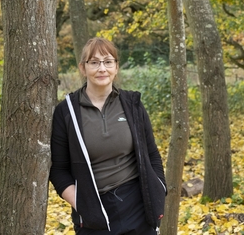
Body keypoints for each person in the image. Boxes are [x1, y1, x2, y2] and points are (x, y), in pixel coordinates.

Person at [49, 37, 167, 235]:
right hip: (94, 211)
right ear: (82, 68)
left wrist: (159, 190)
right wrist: (83, 204)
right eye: (94, 62)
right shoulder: (66, 111)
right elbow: (59, 170)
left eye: (108, 61)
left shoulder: (132, 104)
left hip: (137, 205)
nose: (102, 68)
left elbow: (152, 154)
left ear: (116, 67)